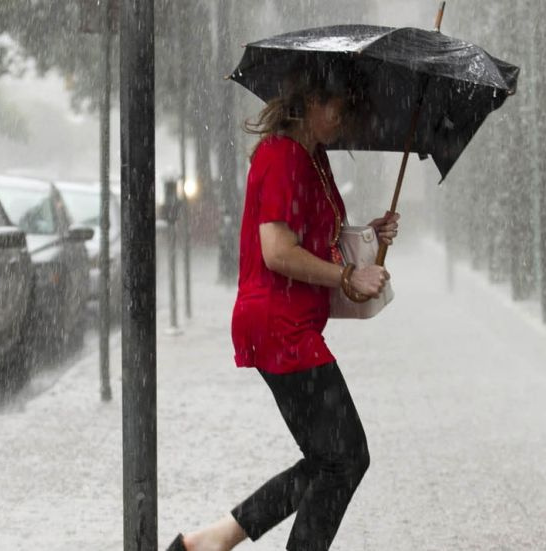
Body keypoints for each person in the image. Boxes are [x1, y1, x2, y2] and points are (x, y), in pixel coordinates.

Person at [166, 68, 400, 551]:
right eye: (339, 105)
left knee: (327, 458)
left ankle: (214, 539)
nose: (345, 117)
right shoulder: (280, 157)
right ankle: (217, 539)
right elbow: (276, 250)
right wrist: (347, 276)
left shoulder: (312, 158)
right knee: (346, 457)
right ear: (311, 100)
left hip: (292, 324)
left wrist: (369, 236)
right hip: (278, 324)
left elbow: (318, 233)